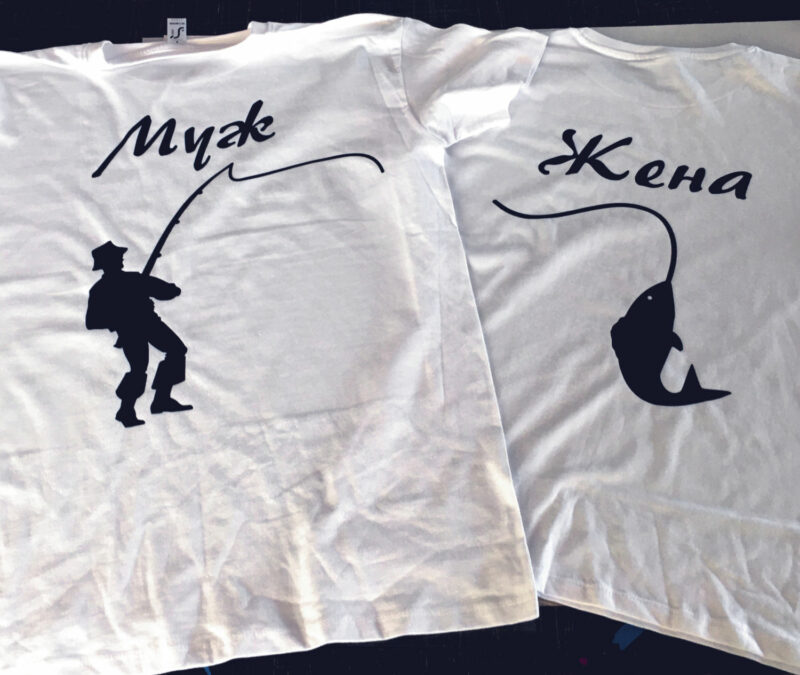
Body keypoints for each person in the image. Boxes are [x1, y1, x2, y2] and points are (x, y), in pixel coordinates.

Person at [86, 241, 192, 427]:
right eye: (117, 257)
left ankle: (160, 400)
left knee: (175, 350)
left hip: (149, 324)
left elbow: (165, 291)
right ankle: (127, 410)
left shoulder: (124, 282)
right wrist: (119, 317)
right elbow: (92, 322)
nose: (121, 259)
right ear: (109, 262)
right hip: (131, 330)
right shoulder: (104, 289)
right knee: (139, 369)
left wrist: (170, 289)